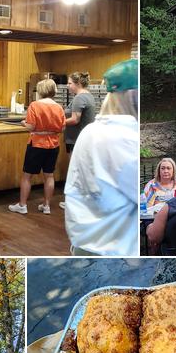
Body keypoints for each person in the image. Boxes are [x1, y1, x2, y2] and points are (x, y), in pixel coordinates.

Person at [63, 58, 139, 256]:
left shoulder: (92, 132)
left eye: (70, 83)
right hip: (112, 252)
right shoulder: (123, 138)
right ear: (131, 94)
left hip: (88, 245)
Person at [8, 78, 65, 215]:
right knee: (49, 175)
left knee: (27, 176)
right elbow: (62, 128)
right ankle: (46, 205)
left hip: (37, 143)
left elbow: (31, 126)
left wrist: (23, 123)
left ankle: (22, 205)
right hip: (53, 144)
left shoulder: (35, 105)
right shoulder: (59, 107)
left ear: (40, 90)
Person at [59, 71, 97, 210]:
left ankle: (74, 201)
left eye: (70, 83)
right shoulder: (89, 96)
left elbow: (75, 119)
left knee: (76, 171)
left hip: (76, 139)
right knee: (83, 170)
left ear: (78, 83)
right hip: (84, 139)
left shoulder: (79, 98)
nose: (68, 86)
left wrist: (59, 122)